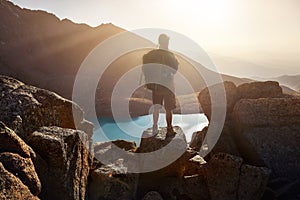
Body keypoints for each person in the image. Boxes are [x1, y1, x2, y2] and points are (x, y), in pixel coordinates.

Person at [142, 34, 179, 135]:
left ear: (159, 41)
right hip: (168, 86)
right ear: (167, 42)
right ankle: (169, 129)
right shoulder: (170, 55)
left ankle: (155, 127)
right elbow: (175, 70)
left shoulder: (152, 54)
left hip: (156, 86)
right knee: (169, 108)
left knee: (156, 107)